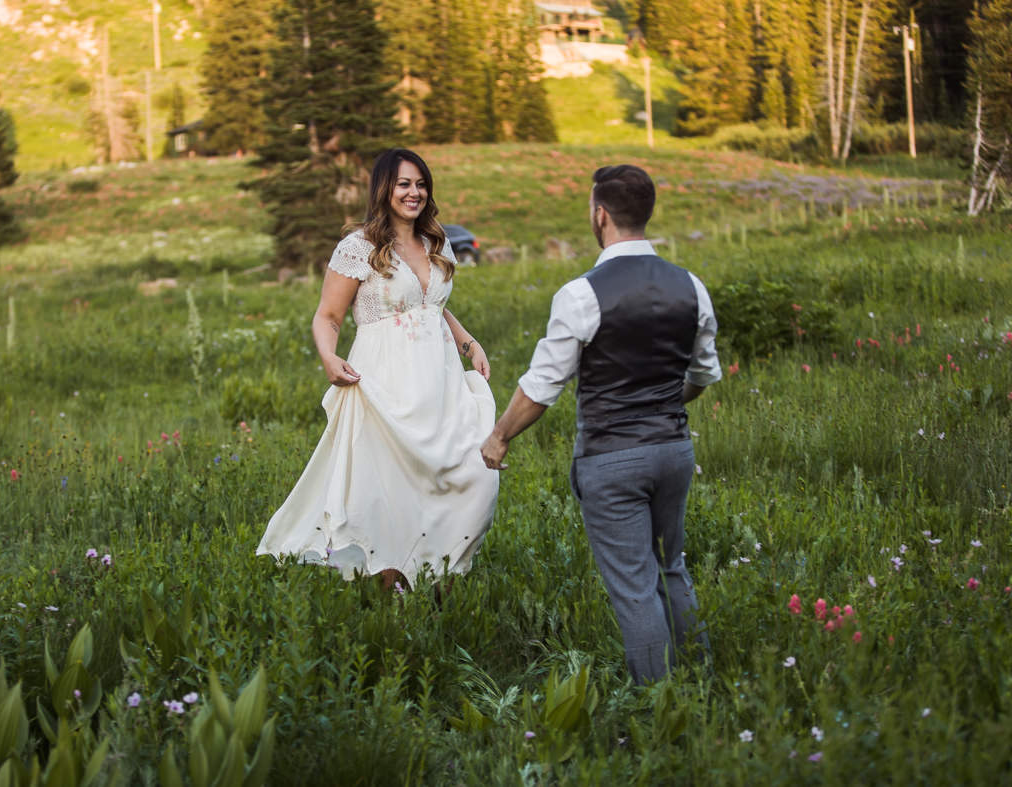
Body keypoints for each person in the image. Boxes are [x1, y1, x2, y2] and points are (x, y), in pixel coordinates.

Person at [480, 164, 721, 683]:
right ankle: (701, 685)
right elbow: (703, 374)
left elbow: (543, 387)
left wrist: (499, 436)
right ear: (646, 213)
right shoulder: (691, 286)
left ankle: (658, 707)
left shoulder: (580, 295)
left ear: (600, 215)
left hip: (612, 460)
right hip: (675, 449)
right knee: (671, 568)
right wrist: (662, 403)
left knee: (634, 585)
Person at [257, 148, 500, 591]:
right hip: (386, 381)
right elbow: (327, 316)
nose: (414, 192)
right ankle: (393, 589)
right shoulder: (359, 247)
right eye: (404, 184)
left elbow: (431, 305)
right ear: (384, 188)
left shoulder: (435, 243)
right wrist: (329, 357)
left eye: (421, 184)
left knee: (473, 474)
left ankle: (441, 571)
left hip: (441, 381)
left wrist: (468, 342)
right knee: (391, 486)